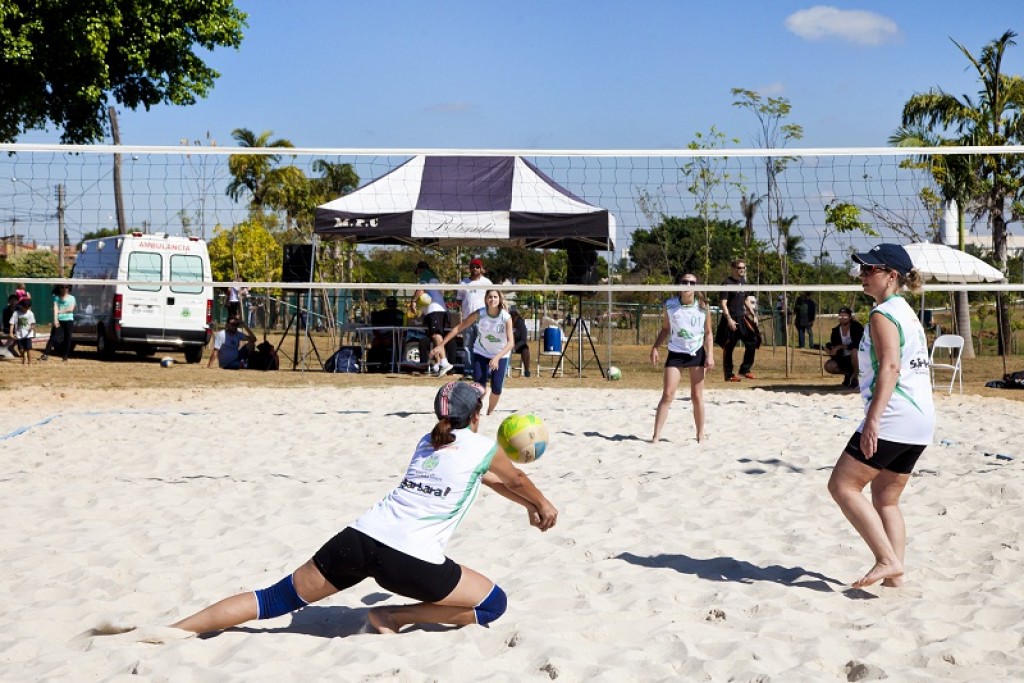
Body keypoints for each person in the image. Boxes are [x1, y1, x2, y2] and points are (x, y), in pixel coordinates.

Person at [168, 381, 558, 636]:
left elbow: (489, 481)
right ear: (476, 416)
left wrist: (526, 507)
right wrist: (542, 503)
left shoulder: (428, 440)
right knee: (493, 604)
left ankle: (175, 630)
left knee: (273, 599)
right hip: (408, 559)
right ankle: (392, 617)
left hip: (359, 539)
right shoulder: (481, 448)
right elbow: (515, 479)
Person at [827, 244, 934, 589]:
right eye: (862, 268)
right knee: (886, 499)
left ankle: (887, 560)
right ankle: (895, 580)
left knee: (843, 485)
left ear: (891, 276)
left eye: (869, 269)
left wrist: (872, 420)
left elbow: (890, 365)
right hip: (920, 419)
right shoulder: (906, 311)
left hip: (894, 415)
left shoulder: (882, 314)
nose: (862, 275)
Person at [650, 273, 715, 443]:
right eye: (685, 282)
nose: (688, 285)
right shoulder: (670, 305)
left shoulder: (703, 306)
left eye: (692, 282)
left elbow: (708, 332)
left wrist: (711, 355)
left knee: (697, 395)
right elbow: (665, 329)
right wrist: (655, 347)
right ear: (679, 284)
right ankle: (656, 436)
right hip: (676, 352)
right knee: (668, 393)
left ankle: (700, 435)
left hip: (696, 352)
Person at [432, 290, 514, 415]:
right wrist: (441, 345)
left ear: (499, 299)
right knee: (479, 388)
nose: (492, 299)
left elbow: (511, 343)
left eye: (495, 297)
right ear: (486, 299)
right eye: (490, 297)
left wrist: (497, 358)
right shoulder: (480, 313)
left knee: (496, 388)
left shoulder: (505, 317)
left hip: (500, 354)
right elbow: (459, 327)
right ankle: (475, 412)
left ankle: (490, 412)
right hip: (481, 352)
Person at [409, 261, 453, 377]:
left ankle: (444, 362)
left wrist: (413, 301)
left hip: (435, 309)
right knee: (434, 337)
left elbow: (420, 289)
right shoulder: (432, 276)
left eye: (417, 272)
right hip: (435, 310)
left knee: (436, 335)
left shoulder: (426, 274)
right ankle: (438, 364)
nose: (417, 275)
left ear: (420, 269)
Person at [715, 259, 756, 382]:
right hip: (731, 318)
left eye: (743, 267)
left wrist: (754, 314)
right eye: (739, 268)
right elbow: (723, 303)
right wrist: (729, 319)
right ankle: (729, 375)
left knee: (752, 341)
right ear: (732, 268)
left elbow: (746, 300)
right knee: (729, 347)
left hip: (742, 317)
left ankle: (744, 369)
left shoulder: (743, 282)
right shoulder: (727, 283)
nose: (742, 270)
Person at [457, 258, 492, 377]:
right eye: (473, 267)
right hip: (467, 319)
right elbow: (458, 300)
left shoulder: (487, 282)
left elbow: (494, 296)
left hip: (483, 318)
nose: (475, 269)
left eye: (477, 267)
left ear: (481, 269)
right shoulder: (463, 283)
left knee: (483, 345)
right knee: (467, 345)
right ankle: (469, 370)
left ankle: (484, 371)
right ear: (469, 268)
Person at [824, 307, 865, 388]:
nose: (842, 318)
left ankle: (855, 378)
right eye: (840, 316)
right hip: (844, 358)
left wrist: (842, 346)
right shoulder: (835, 331)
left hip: (859, 358)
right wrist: (831, 351)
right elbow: (835, 347)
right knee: (828, 366)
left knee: (854, 351)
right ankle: (848, 374)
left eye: (845, 317)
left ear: (850, 317)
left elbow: (859, 343)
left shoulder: (857, 327)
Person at [51, 284, 76, 362]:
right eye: (62, 287)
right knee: (55, 337)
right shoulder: (56, 297)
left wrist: (61, 311)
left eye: (66, 287)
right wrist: (55, 320)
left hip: (69, 320)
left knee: (68, 338)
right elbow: (55, 309)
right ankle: (46, 353)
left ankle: (65, 356)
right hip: (60, 320)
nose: (64, 289)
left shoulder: (72, 298)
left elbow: (71, 309)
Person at [9, 298, 36, 365]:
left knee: (29, 349)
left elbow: (33, 324)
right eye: (24, 308)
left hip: (28, 335)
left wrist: (31, 328)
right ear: (21, 306)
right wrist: (11, 332)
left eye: (27, 308)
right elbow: (12, 323)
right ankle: (24, 358)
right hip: (19, 334)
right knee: (21, 349)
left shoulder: (30, 313)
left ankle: (29, 362)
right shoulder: (16, 313)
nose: (25, 309)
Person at [509, 307, 532, 377]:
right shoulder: (506, 322)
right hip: (506, 344)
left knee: (525, 349)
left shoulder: (521, 324)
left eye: (515, 314)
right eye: (511, 314)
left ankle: (527, 371)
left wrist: (515, 346)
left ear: (517, 315)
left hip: (518, 344)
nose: (513, 316)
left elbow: (523, 339)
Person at [3, 293, 22, 358]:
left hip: (17, 329)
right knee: (17, 335)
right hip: (8, 328)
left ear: (18, 301)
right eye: (12, 300)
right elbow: (4, 321)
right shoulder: (6, 310)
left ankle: (11, 348)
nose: (13, 302)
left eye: (15, 300)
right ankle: (9, 348)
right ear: (9, 301)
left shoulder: (20, 309)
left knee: (21, 334)